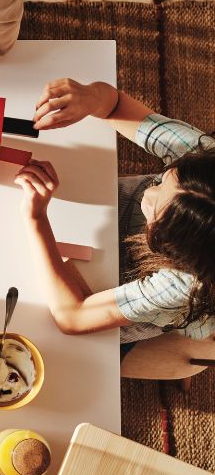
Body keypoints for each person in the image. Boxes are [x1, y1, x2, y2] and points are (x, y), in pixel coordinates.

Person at [15, 78, 215, 355]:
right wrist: (91, 97)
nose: (149, 194)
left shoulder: (183, 284)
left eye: (155, 212)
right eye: (162, 179)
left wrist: (36, 218)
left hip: (115, 288)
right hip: (103, 211)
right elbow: (114, 104)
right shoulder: (203, 158)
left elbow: (72, 317)